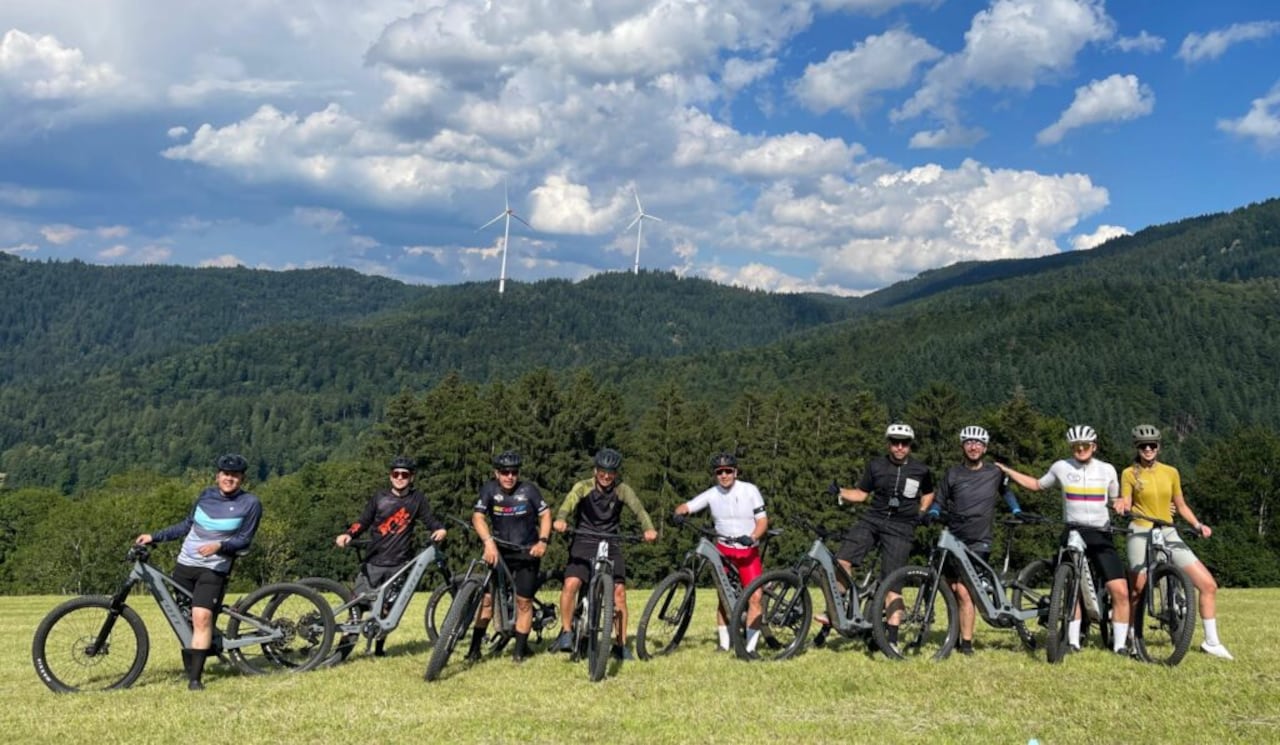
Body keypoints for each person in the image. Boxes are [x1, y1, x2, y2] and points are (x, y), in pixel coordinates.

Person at [997, 425, 1131, 655]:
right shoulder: (1061, 467)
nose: (1080, 449)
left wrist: (1121, 502)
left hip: (1100, 532)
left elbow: (1115, 499)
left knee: (1119, 590)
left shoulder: (1107, 469)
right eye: (1076, 446)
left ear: (1094, 447)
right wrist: (1008, 471)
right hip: (1073, 532)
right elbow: (1037, 485)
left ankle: (1120, 645)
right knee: (1070, 589)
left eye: (1085, 445)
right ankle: (1072, 641)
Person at [135, 453, 262, 690]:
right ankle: (192, 666)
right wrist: (155, 536)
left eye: (235, 475)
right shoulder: (206, 496)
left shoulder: (250, 503)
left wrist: (220, 546)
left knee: (201, 617)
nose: (229, 479)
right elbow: (187, 525)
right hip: (185, 566)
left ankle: (195, 679)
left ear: (242, 479)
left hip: (214, 569)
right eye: (225, 474)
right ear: (218, 476)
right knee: (185, 619)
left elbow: (245, 539)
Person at [1119, 424, 1232, 660]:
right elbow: (1126, 502)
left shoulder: (1171, 472)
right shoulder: (1129, 473)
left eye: (1152, 445)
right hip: (1140, 530)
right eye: (1143, 446)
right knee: (1138, 588)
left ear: (1159, 447)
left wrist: (1198, 525)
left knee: (1208, 585)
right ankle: (1131, 637)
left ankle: (1211, 642)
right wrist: (1121, 504)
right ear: (1137, 448)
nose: (1148, 449)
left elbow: (1180, 505)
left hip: (1168, 531)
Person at [828, 423, 935, 648]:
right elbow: (861, 494)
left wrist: (923, 511)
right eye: (895, 442)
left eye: (904, 443)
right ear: (888, 444)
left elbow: (928, 493)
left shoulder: (921, 470)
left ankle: (892, 641)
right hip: (873, 519)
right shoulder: (876, 465)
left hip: (902, 527)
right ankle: (838, 608)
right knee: (841, 560)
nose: (899, 447)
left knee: (892, 584)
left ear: (910, 445)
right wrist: (840, 491)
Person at [551, 448, 658, 660]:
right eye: (602, 472)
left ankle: (620, 645)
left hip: (610, 540)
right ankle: (566, 632)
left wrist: (648, 528)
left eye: (611, 473)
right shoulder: (584, 486)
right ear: (595, 471)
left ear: (616, 474)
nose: (606, 476)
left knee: (619, 593)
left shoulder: (622, 490)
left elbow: (639, 510)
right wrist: (561, 518)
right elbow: (569, 502)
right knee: (571, 583)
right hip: (584, 538)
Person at [335, 455, 446, 656]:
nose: (400, 478)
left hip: (399, 564)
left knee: (388, 609)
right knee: (356, 607)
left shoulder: (417, 499)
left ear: (411, 477)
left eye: (405, 474)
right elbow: (363, 521)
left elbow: (430, 520)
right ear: (390, 476)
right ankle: (341, 651)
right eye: (396, 474)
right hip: (374, 562)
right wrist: (349, 534)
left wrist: (439, 529)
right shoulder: (379, 498)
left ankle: (379, 648)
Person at [925, 426, 1022, 655]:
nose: (973, 447)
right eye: (969, 442)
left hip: (979, 539)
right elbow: (940, 499)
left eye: (978, 443)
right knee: (952, 588)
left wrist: (1016, 509)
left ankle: (966, 644)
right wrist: (934, 512)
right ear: (963, 446)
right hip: (953, 538)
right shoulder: (953, 473)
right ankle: (955, 636)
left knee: (965, 590)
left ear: (985, 448)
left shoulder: (994, 472)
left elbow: (1006, 492)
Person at [674, 452, 769, 653]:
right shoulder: (712, 493)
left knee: (755, 597)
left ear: (735, 472)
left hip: (747, 551)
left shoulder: (750, 490)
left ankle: (750, 648)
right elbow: (688, 506)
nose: (724, 475)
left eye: (728, 471)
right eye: (719, 472)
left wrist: (752, 537)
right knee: (723, 597)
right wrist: (679, 512)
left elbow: (762, 521)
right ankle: (724, 645)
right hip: (724, 552)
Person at [468, 450, 552, 664]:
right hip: (499, 552)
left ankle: (519, 652)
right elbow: (478, 517)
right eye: (505, 472)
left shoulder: (529, 490)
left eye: (514, 472)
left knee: (524, 602)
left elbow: (545, 515)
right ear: (496, 473)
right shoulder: (489, 489)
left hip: (526, 552)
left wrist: (543, 541)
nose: (509, 476)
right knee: (487, 600)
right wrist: (488, 543)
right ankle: (474, 649)